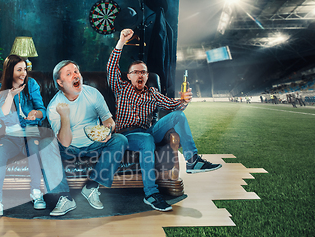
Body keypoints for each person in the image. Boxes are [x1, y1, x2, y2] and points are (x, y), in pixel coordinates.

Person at [107, 28, 221, 212]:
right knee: (145, 140)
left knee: (178, 115)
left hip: (149, 132)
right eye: (136, 72)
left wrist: (184, 100)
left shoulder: (152, 92)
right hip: (128, 135)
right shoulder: (121, 88)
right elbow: (111, 68)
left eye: (143, 72)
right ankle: (151, 194)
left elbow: (174, 105)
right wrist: (121, 41)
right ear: (128, 76)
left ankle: (192, 160)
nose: (140, 75)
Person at [47, 60, 128, 213]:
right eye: (69, 74)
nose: (75, 76)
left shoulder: (92, 94)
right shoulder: (53, 107)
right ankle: (65, 198)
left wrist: (107, 131)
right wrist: (65, 117)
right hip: (69, 148)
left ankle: (91, 187)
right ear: (60, 82)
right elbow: (64, 142)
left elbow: (108, 121)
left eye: (76, 71)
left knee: (120, 140)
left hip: (94, 144)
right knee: (46, 144)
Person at [0, 55, 48, 217]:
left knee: (34, 148)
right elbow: (2, 114)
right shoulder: (1, 88)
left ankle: (36, 193)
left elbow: (42, 110)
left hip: (31, 132)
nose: (23, 73)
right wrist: (10, 96)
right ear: (9, 70)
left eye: (25, 69)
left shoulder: (31, 84)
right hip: (11, 135)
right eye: (19, 70)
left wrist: (36, 113)